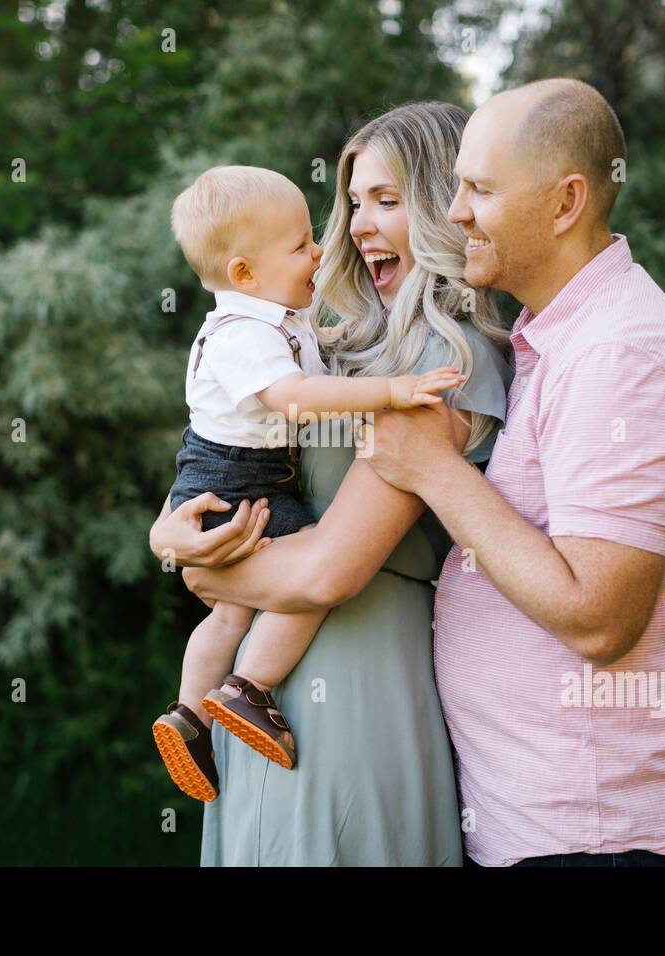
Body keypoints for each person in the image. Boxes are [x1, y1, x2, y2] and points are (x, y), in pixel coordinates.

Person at [362, 79, 665, 867]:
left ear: (566, 203)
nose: (455, 212)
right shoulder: (560, 336)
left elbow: (601, 617)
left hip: (598, 836)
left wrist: (433, 469)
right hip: (544, 826)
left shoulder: (619, 356)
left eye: (479, 190)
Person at [149, 102, 513, 865]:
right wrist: (169, 532)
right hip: (256, 694)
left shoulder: (444, 367)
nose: (356, 228)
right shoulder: (333, 344)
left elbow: (329, 569)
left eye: (387, 201)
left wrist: (205, 564)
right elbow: (234, 446)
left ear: (445, 209)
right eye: (352, 204)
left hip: (358, 674)